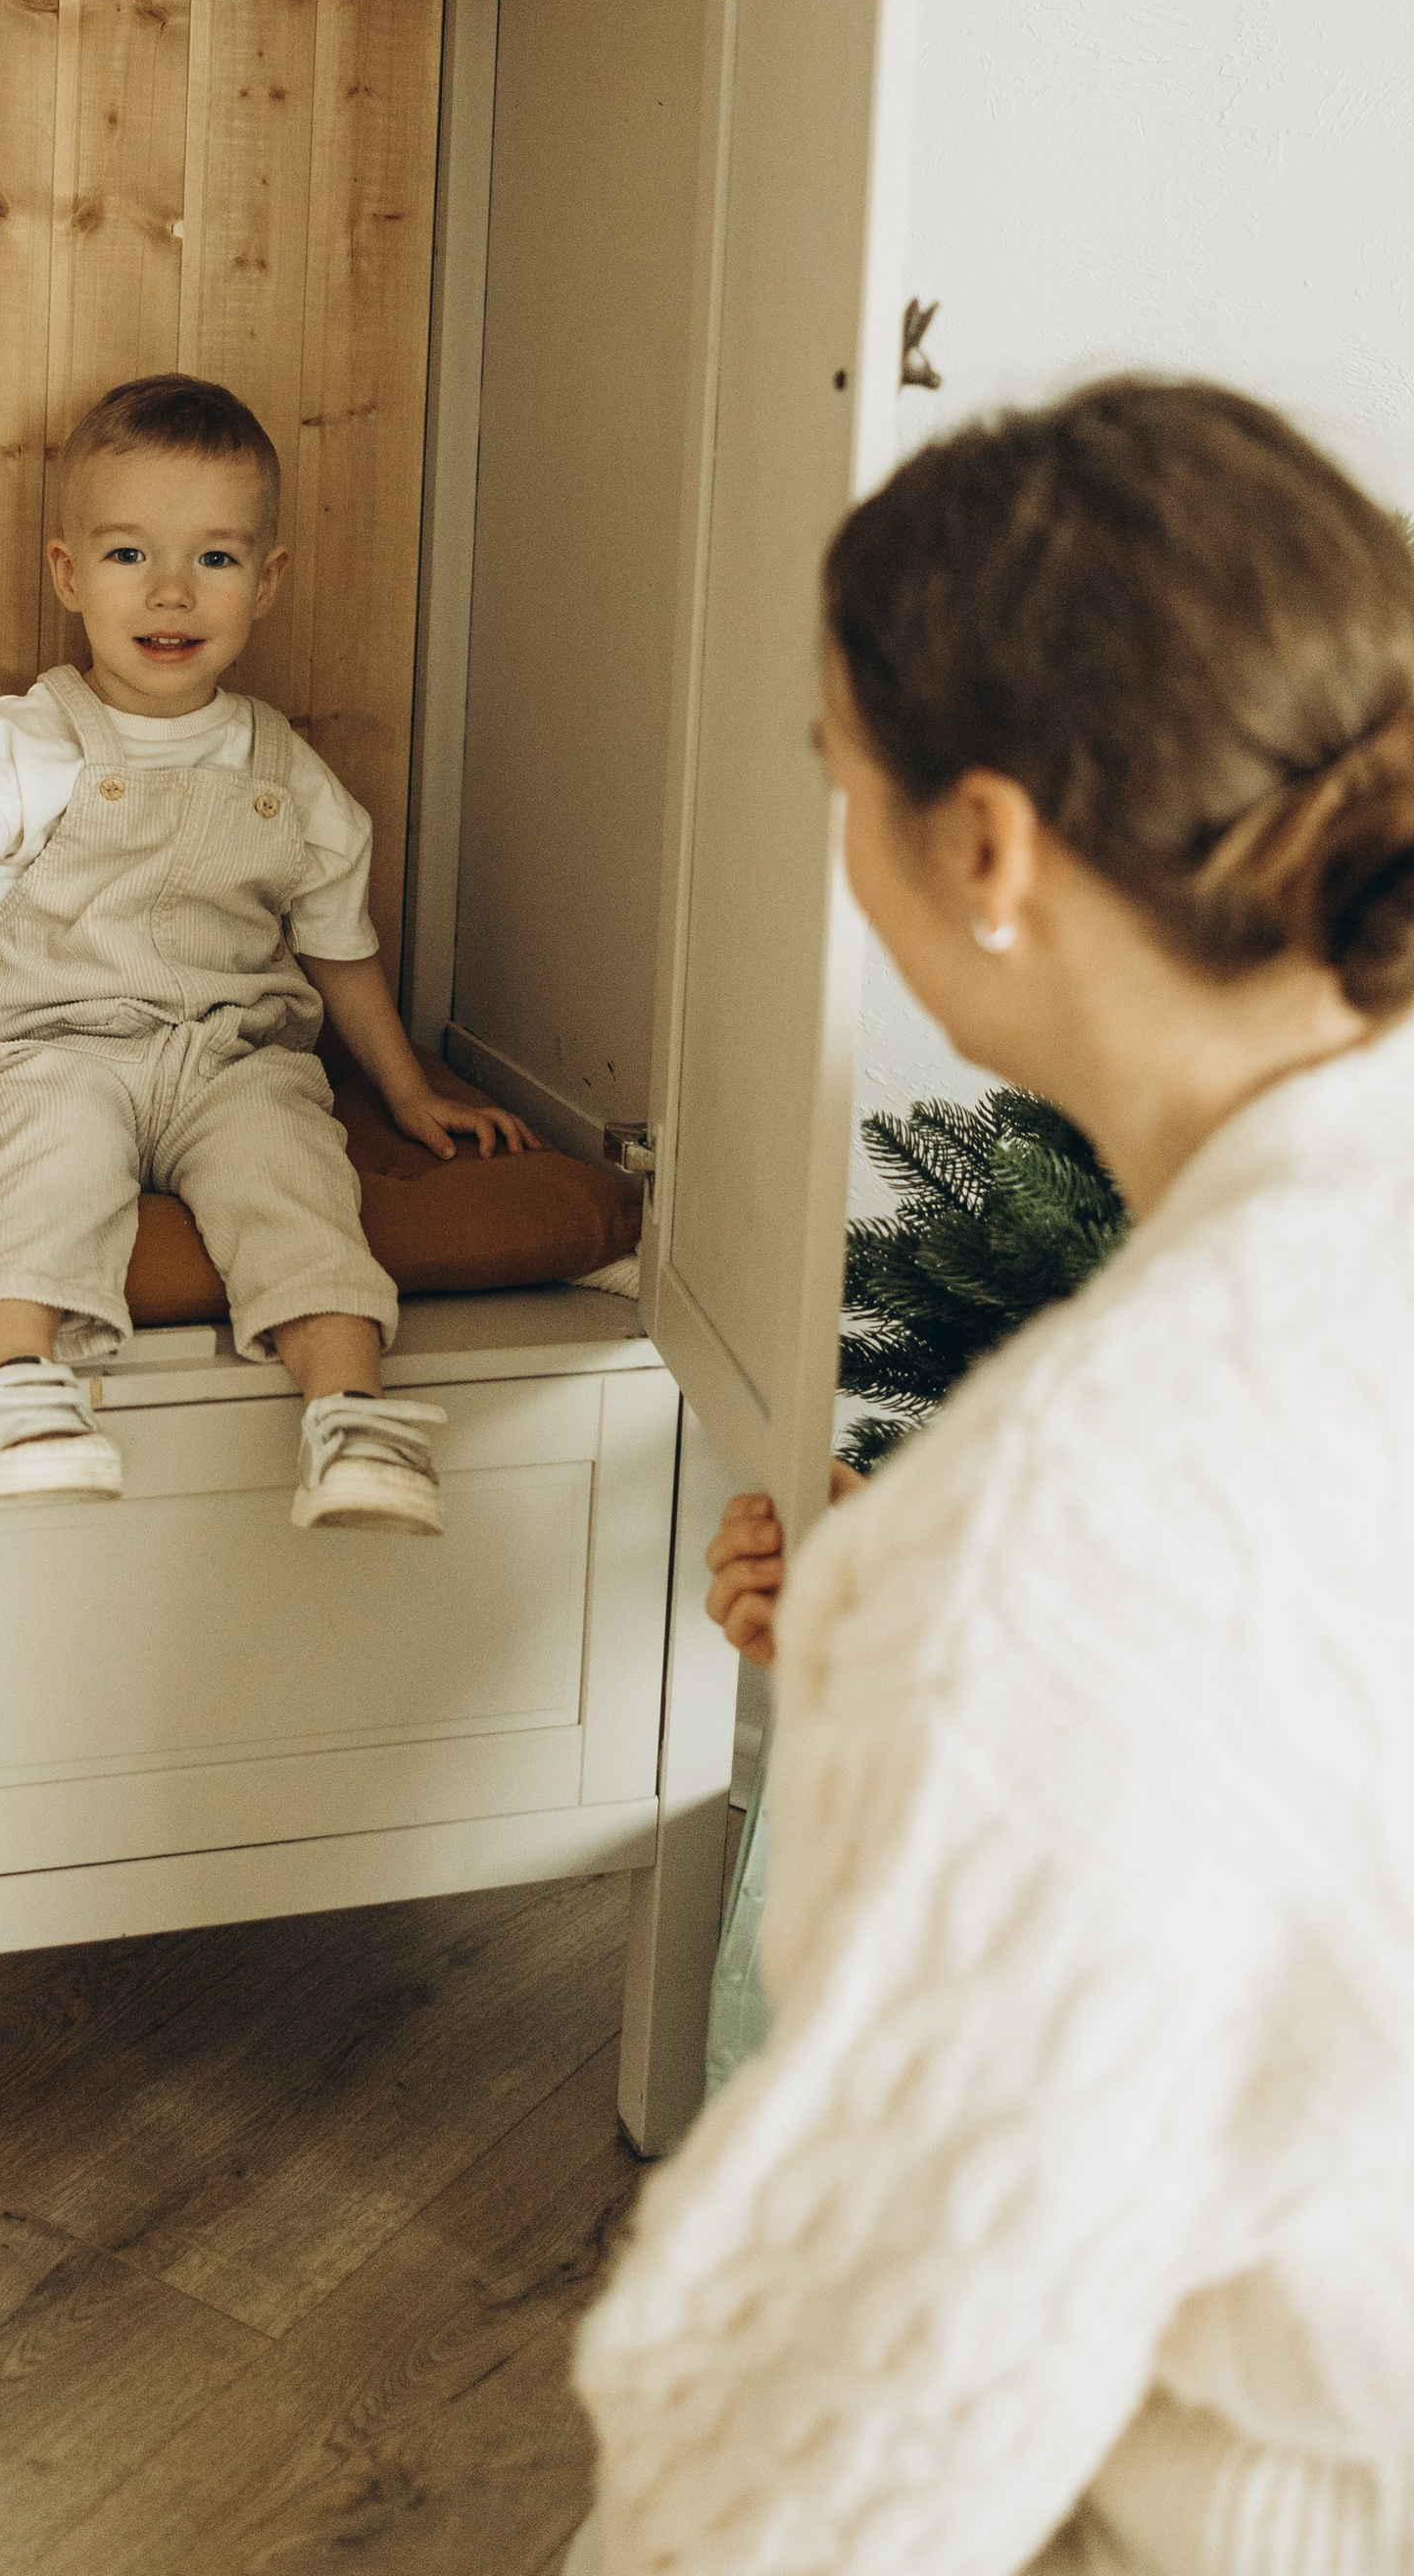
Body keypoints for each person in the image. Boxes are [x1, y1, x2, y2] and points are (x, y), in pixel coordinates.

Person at [570, 377, 1414, 2576]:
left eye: (834, 776)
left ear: (984, 851)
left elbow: (849, 2432)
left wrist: (959, 1627)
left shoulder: (1060, 1537)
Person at [0, 372, 530, 1529]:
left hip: (234, 1060)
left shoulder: (292, 774)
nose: (171, 591)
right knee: (49, 1170)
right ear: (68, 573)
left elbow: (341, 951)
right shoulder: (26, 743)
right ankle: (9, 1387)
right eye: (129, 555)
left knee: (297, 1182)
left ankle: (350, 1414)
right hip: (53, 1050)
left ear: (267, 580)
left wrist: (409, 1091)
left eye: (214, 558)